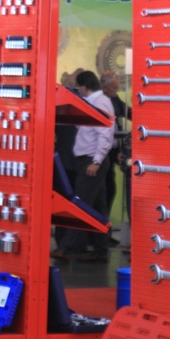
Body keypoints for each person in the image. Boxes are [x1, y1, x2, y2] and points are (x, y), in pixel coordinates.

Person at [51, 71, 115, 262]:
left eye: (79, 87)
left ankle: (66, 248)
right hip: (88, 160)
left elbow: (105, 133)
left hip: (91, 161)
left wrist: (96, 161)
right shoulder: (92, 103)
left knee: (80, 206)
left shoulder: (100, 102)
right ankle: (101, 249)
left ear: (85, 86)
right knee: (97, 206)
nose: (78, 90)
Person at [100, 71, 132, 246]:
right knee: (104, 191)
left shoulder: (114, 99)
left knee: (110, 189)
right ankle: (101, 234)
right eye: (113, 88)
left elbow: (127, 112)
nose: (116, 91)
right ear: (104, 87)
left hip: (112, 151)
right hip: (101, 152)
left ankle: (105, 232)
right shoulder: (99, 101)